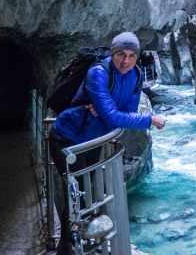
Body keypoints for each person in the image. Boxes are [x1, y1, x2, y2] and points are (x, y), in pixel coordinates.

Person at [49, 31, 166, 255]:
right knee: (74, 193)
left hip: (93, 140)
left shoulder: (136, 75)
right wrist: (148, 119)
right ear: (113, 54)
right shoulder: (98, 73)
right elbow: (114, 117)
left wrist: (107, 112)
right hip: (67, 137)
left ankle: (84, 243)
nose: (126, 61)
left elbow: (125, 113)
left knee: (85, 193)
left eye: (132, 55)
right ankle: (67, 247)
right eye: (121, 54)